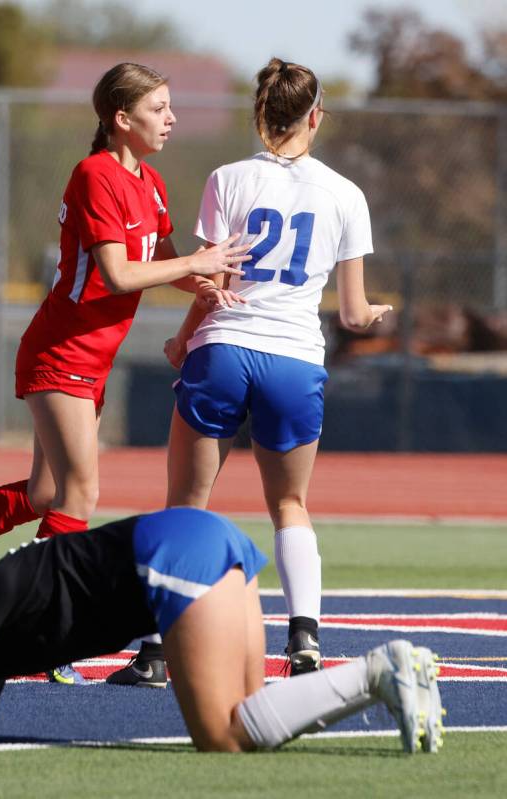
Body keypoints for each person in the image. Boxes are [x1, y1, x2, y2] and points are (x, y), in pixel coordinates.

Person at [0, 63, 250, 684]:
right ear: (121, 118)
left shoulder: (153, 184)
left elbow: (158, 261)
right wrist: (196, 261)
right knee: (81, 494)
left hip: (89, 360)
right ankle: (48, 638)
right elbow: (116, 275)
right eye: (158, 108)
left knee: (47, 497)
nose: (170, 118)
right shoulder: (94, 175)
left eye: (169, 107)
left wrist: (206, 282)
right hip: (61, 353)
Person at [107, 58, 393, 686]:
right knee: (290, 502)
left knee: (186, 504)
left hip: (225, 349)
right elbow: (349, 311)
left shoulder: (227, 178)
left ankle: (157, 651)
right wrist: (371, 314)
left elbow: (214, 281)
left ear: (262, 114)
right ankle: (305, 643)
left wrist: (184, 340)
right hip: (294, 358)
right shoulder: (347, 193)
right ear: (315, 116)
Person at [0, 508, 444, 754]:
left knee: (221, 736)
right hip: (198, 536)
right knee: (251, 724)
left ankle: (377, 670)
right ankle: (389, 679)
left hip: (168, 553)